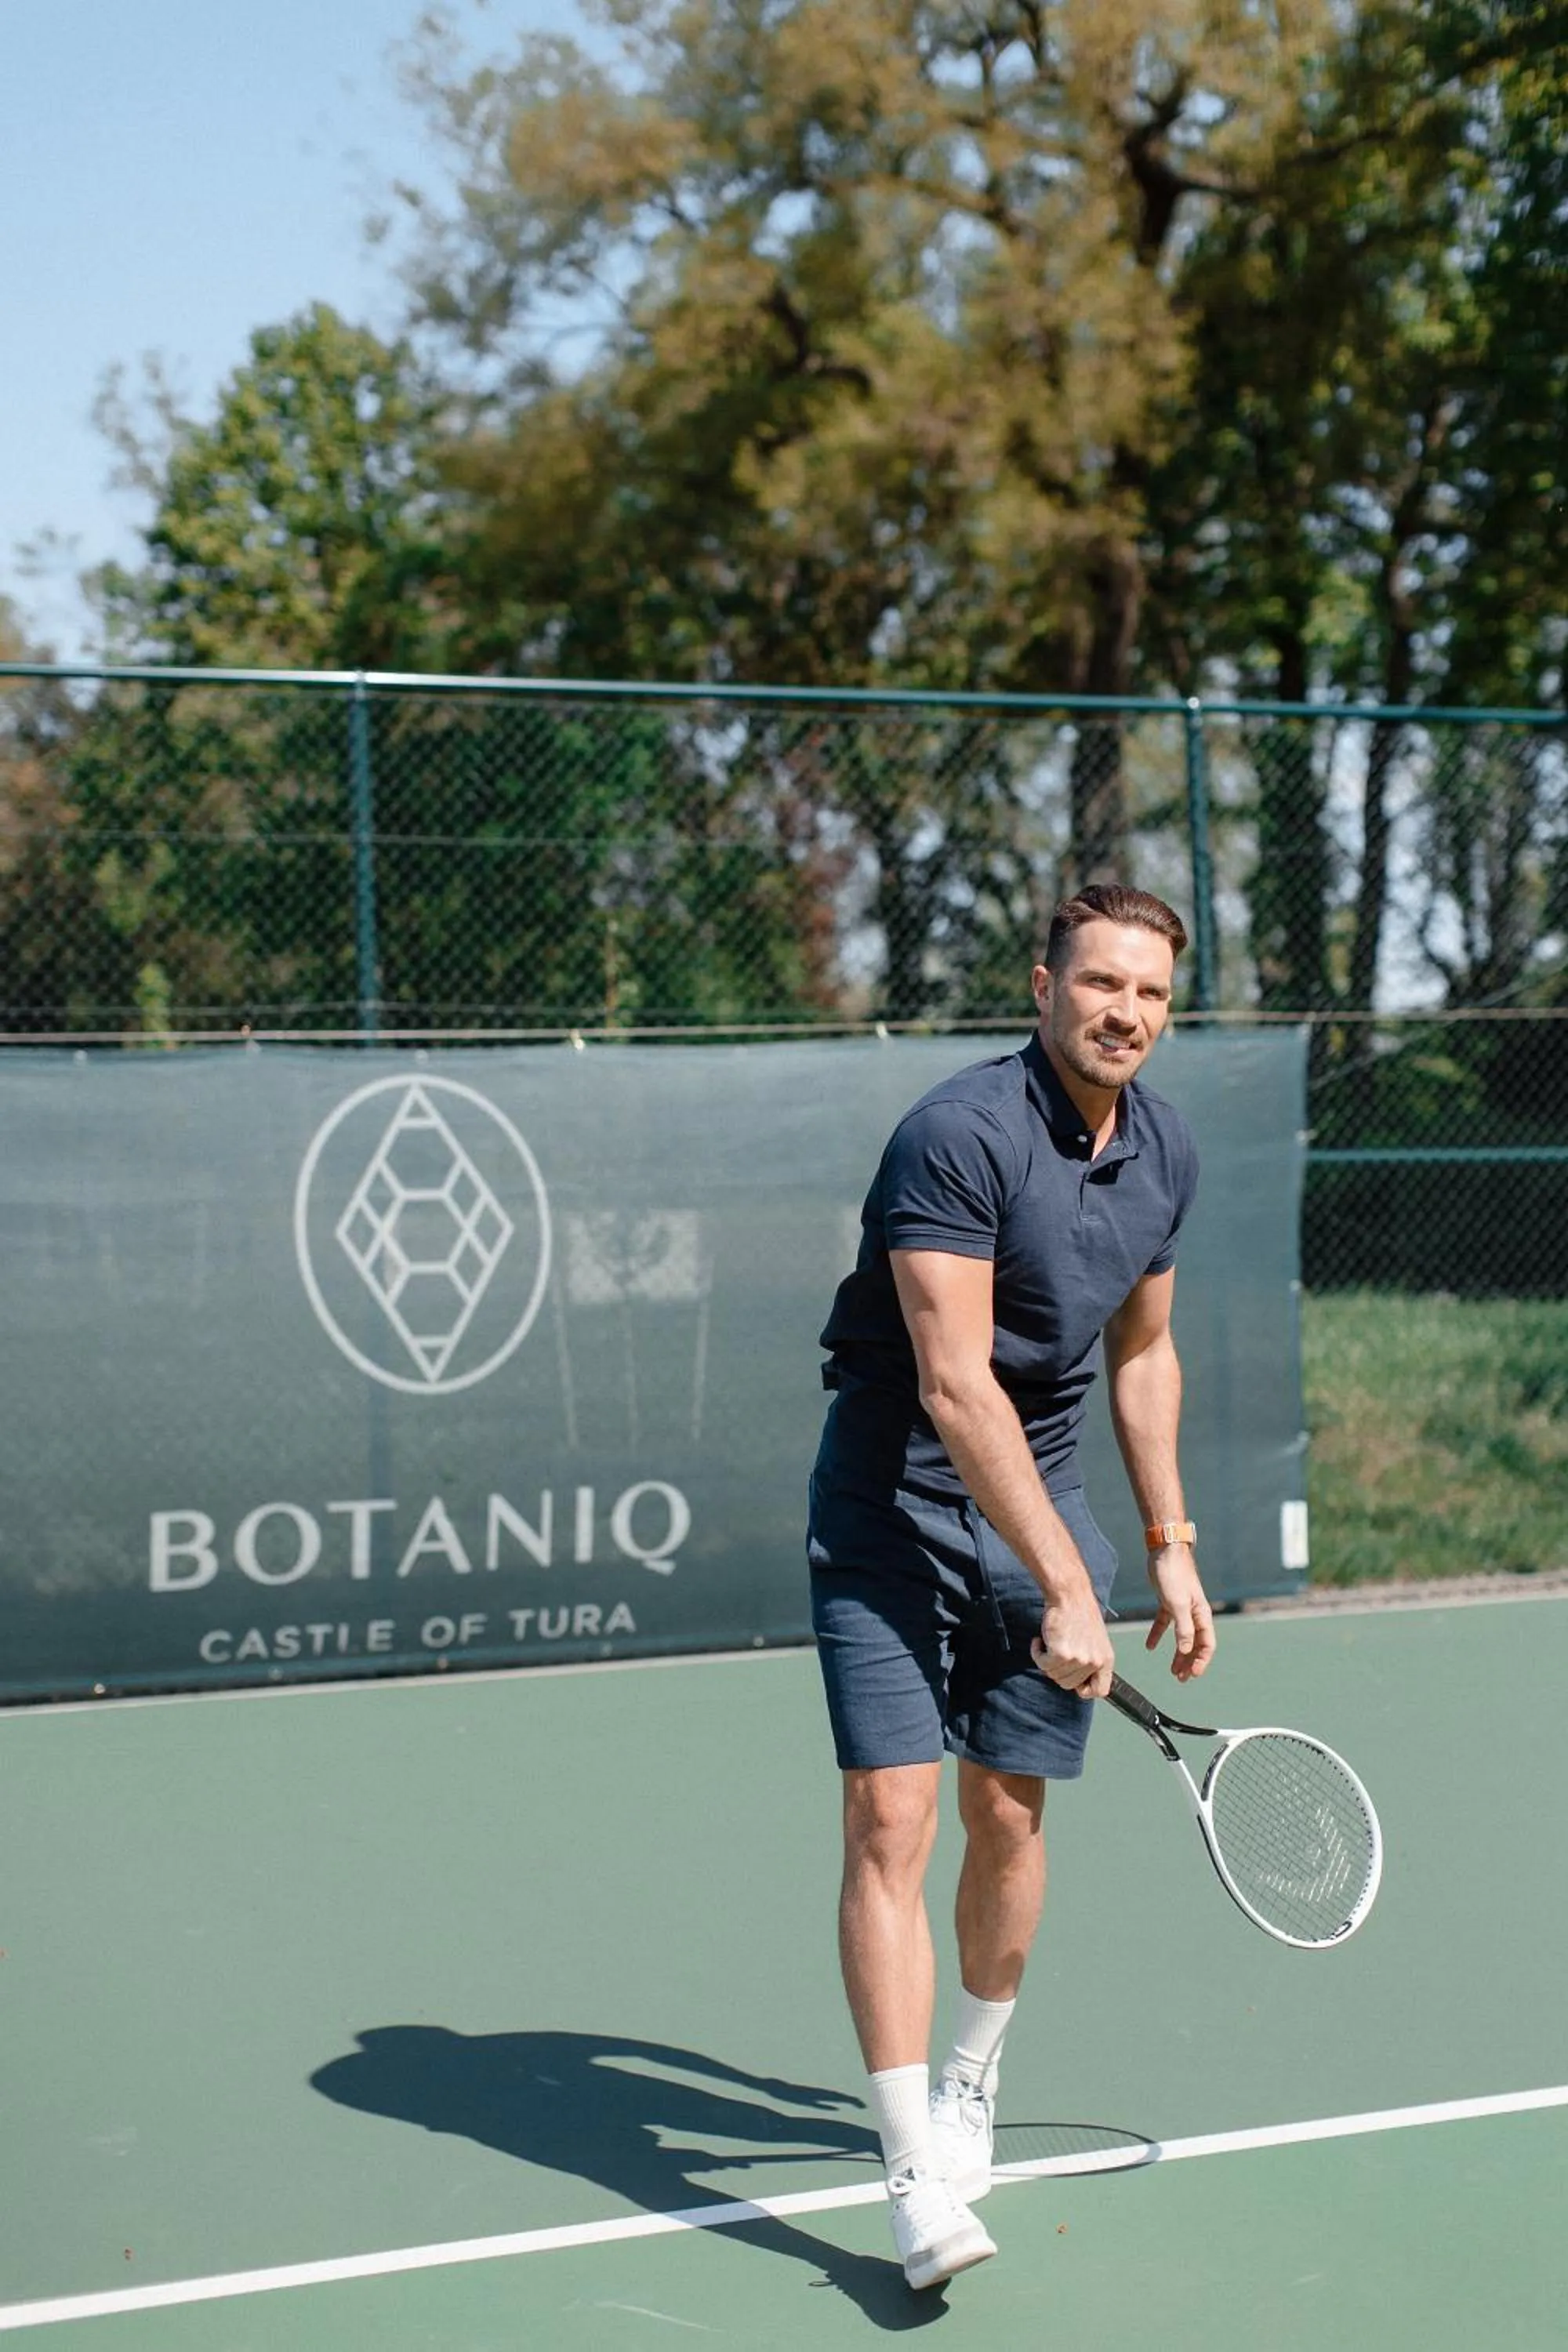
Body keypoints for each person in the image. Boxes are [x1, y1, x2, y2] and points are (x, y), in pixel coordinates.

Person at [808, 882, 1217, 2292]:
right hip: (892, 1501)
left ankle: (974, 2075)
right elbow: (951, 1380)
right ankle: (913, 2167)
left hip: (1037, 1500)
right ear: (1041, 987)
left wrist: (1165, 1542)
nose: (1127, 1014)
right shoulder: (956, 1136)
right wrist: (1064, 1581)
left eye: (1154, 993)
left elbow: (1145, 1356)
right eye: (1102, 984)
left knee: (1008, 1814)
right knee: (893, 1814)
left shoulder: (1163, 1147)